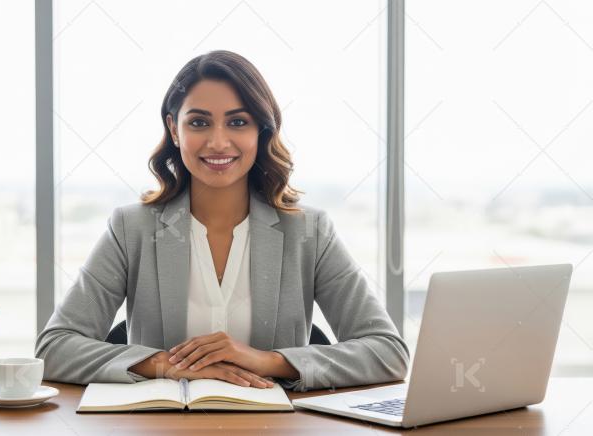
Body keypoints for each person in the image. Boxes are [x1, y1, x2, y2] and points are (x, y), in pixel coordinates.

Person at [36, 50, 409, 392]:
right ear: (173, 129)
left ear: (261, 130)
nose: (218, 142)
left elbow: (387, 352)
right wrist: (166, 365)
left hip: (274, 428)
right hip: (160, 427)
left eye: (238, 122)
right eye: (199, 123)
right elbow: (54, 348)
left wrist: (268, 361)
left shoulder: (309, 232)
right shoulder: (130, 228)